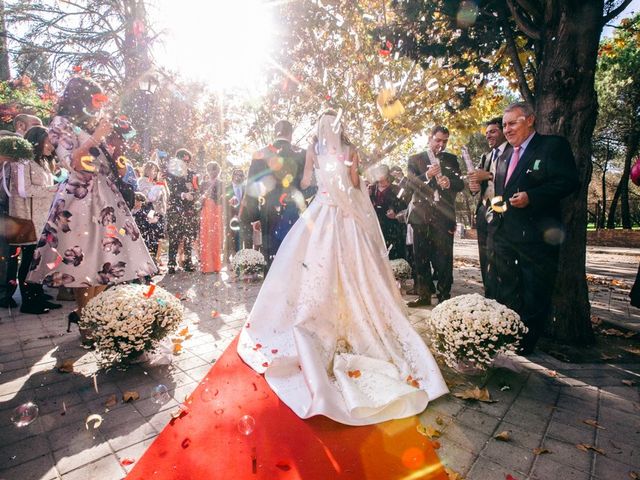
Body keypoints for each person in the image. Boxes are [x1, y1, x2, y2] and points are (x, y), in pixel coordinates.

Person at [237, 111, 448, 426]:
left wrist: (317, 178)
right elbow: (352, 185)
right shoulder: (350, 151)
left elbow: (307, 182)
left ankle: (329, 316)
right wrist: (346, 178)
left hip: (324, 212)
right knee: (349, 271)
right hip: (344, 217)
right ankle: (348, 317)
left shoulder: (315, 150)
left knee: (322, 269)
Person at [26, 76, 157, 341]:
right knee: (83, 261)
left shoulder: (85, 125)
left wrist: (116, 160)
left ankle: (91, 319)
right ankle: (87, 324)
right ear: (82, 98)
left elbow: (97, 161)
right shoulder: (60, 124)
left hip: (104, 196)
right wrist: (96, 137)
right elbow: (72, 162)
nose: (98, 106)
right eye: (95, 99)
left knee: (103, 262)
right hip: (81, 198)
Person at [489, 102, 579, 354]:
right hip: (505, 232)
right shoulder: (505, 153)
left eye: (512, 123)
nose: (507, 129)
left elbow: (569, 181)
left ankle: (526, 342)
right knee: (506, 286)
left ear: (530, 120)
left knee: (534, 288)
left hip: (537, 234)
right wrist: (495, 213)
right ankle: (507, 331)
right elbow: (501, 192)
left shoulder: (552, 146)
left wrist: (533, 196)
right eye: (504, 125)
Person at [4, 127, 61, 313]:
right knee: (28, 260)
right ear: (37, 140)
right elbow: (23, 190)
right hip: (25, 219)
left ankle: (38, 296)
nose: (52, 146)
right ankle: (29, 301)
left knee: (37, 260)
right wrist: (55, 190)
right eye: (48, 141)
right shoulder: (21, 161)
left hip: (41, 218)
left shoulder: (43, 162)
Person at [405, 126, 464, 306]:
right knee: (420, 257)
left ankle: (444, 296)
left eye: (445, 141)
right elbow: (409, 184)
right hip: (420, 215)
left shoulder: (452, 159)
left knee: (444, 258)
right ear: (429, 138)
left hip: (443, 216)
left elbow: (460, 183)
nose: (441, 144)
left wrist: (448, 183)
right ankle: (423, 295)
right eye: (438, 140)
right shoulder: (415, 159)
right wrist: (426, 175)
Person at [240, 120, 307, 268]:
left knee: (270, 253)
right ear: (291, 134)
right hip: (295, 210)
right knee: (294, 251)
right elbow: (309, 185)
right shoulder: (302, 153)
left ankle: (271, 286)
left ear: (275, 132)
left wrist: (253, 215)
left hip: (267, 211)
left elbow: (252, 187)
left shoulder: (261, 153)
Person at [467, 117, 509, 298]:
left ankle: (501, 296)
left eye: (493, 131)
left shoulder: (512, 152)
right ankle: (488, 293)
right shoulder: (485, 156)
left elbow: (513, 177)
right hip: (484, 209)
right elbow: (476, 184)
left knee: (498, 253)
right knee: (484, 254)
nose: (488, 136)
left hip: (501, 206)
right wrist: (473, 187)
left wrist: (490, 175)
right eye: (486, 134)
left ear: (503, 131)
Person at [165, 148, 199, 273]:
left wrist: (194, 194)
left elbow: (197, 189)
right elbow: (172, 190)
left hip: (189, 209)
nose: (186, 163)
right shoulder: (170, 173)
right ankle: (171, 263)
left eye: (187, 161)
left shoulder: (192, 174)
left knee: (189, 236)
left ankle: (188, 262)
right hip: (175, 208)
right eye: (184, 160)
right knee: (174, 236)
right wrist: (184, 194)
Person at [368, 164, 407, 260]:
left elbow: (403, 205)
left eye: (381, 173)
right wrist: (367, 195)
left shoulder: (396, 189)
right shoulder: (371, 188)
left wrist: (396, 213)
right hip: (375, 224)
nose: (379, 175)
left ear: (386, 175)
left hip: (393, 225)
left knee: (394, 253)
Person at [137, 161, 168, 265]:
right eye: (153, 170)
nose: (155, 173)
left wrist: (163, 183)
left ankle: (155, 261)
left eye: (156, 171)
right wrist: (157, 186)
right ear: (147, 170)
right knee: (150, 237)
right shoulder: (142, 181)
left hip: (158, 212)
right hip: (149, 212)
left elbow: (166, 196)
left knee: (158, 237)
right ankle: (150, 263)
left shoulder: (155, 182)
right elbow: (148, 197)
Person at [199, 161, 223, 273]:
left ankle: (216, 265)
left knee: (215, 237)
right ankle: (206, 266)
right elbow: (199, 198)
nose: (212, 171)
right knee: (205, 237)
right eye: (210, 169)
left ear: (218, 170)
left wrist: (213, 199)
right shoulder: (203, 184)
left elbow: (221, 198)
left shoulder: (220, 183)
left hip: (216, 211)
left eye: (214, 169)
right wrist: (203, 199)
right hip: (205, 212)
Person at [224, 167, 251, 260]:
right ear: (232, 176)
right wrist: (229, 201)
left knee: (246, 238)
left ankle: (247, 260)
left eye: (241, 175)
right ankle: (232, 259)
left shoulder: (246, 189)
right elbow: (221, 201)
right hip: (231, 217)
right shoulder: (227, 188)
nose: (239, 177)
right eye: (236, 175)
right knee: (232, 238)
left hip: (245, 217)